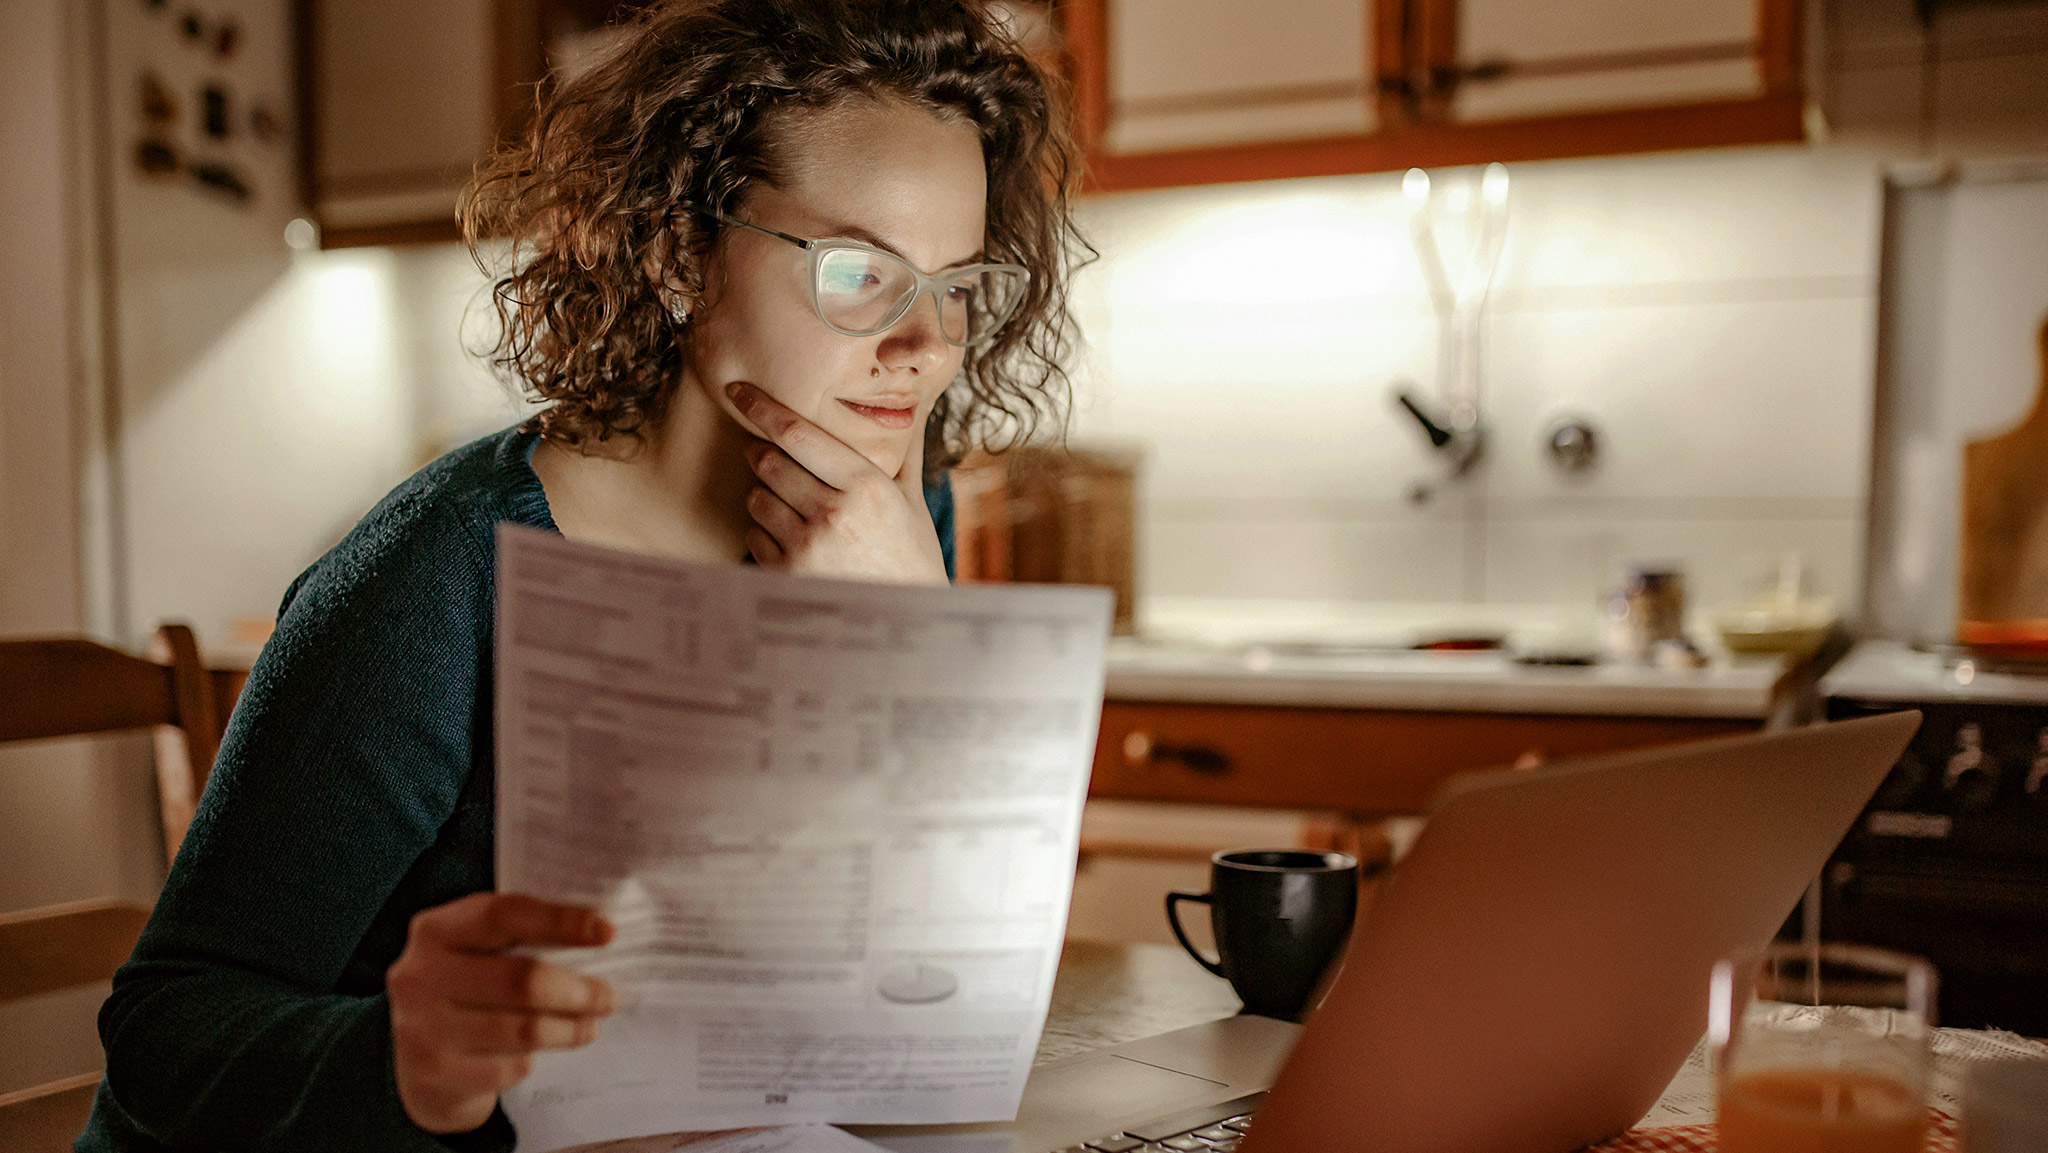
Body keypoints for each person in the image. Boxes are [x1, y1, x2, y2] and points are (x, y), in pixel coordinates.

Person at [79, 2, 1080, 1148]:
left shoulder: (900, 519)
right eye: (860, 272)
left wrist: (921, 643)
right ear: (672, 253)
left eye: (956, 285)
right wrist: (405, 1061)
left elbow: (915, 995)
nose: (927, 347)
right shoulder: (445, 571)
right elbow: (163, 1029)